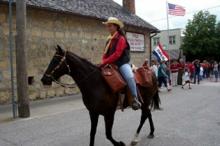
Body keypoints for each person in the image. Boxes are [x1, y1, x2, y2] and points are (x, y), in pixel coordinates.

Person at [101, 17, 141, 110]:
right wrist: (103, 61)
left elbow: (117, 54)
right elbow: (105, 53)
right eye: (107, 26)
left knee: (129, 77)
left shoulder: (121, 38)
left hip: (121, 63)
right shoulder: (109, 39)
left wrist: (105, 61)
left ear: (116, 27)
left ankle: (135, 98)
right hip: (110, 63)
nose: (108, 28)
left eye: (110, 26)